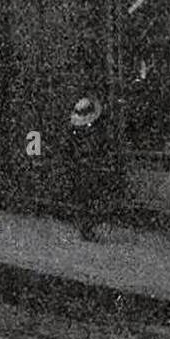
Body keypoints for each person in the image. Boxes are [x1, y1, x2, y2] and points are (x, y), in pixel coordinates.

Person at [65, 95, 121, 242]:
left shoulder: (79, 132)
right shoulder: (86, 132)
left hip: (86, 166)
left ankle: (87, 227)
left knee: (87, 198)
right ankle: (87, 228)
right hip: (87, 166)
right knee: (88, 198)